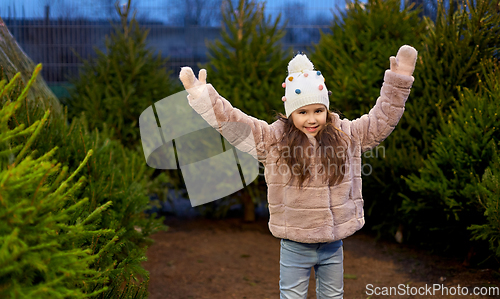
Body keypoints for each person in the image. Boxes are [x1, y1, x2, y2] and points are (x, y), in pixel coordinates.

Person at [179, 45, 418, 299]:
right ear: (291, 113)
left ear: (327, 109)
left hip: (332, 245)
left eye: (318, 111)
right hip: (294, 245)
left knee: (333, 295)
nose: (311, 119)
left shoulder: (344, 135)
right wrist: (203, 97)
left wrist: (399, 81)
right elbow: (236, 125)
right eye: (302, 112)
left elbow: (380, 122)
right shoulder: (273, 140)